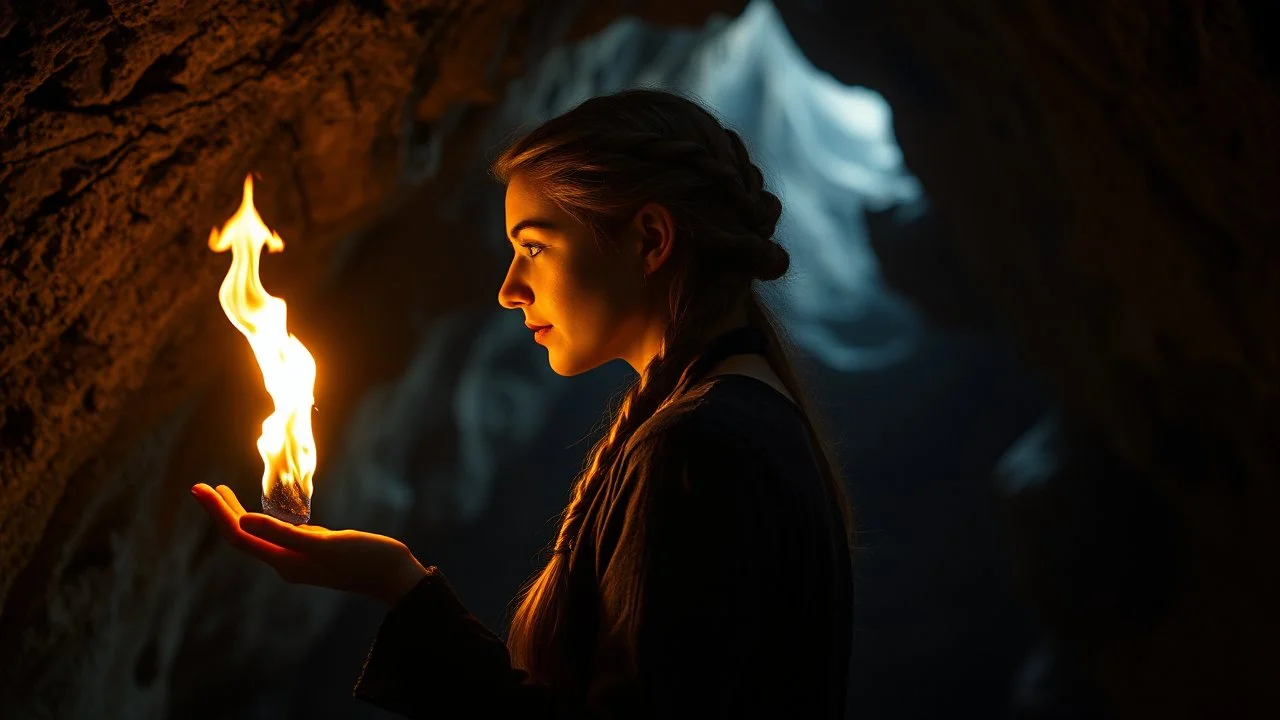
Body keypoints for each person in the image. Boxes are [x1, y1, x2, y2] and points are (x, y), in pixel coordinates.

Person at [192, 88, 855, 719]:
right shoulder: (739, 420)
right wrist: (397, 584)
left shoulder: (701, 448)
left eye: (534, 246)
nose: (511, 288)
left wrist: (402, 590)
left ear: (651, 239)